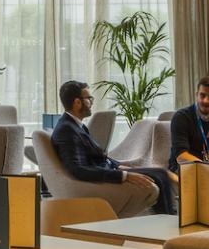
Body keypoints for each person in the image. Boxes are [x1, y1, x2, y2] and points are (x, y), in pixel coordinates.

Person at [52, 80, 173, 214]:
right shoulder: (67, 130)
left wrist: (119, 166)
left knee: (161, 173)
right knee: (157, 177)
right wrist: (123, 175)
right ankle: (166, 218)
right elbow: (78, 170)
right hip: (103, 177)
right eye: (89, 98)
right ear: (77, 103)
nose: (92, 102)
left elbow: (98, 157)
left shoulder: (75, 126)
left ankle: (168, 217)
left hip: (110, 169)